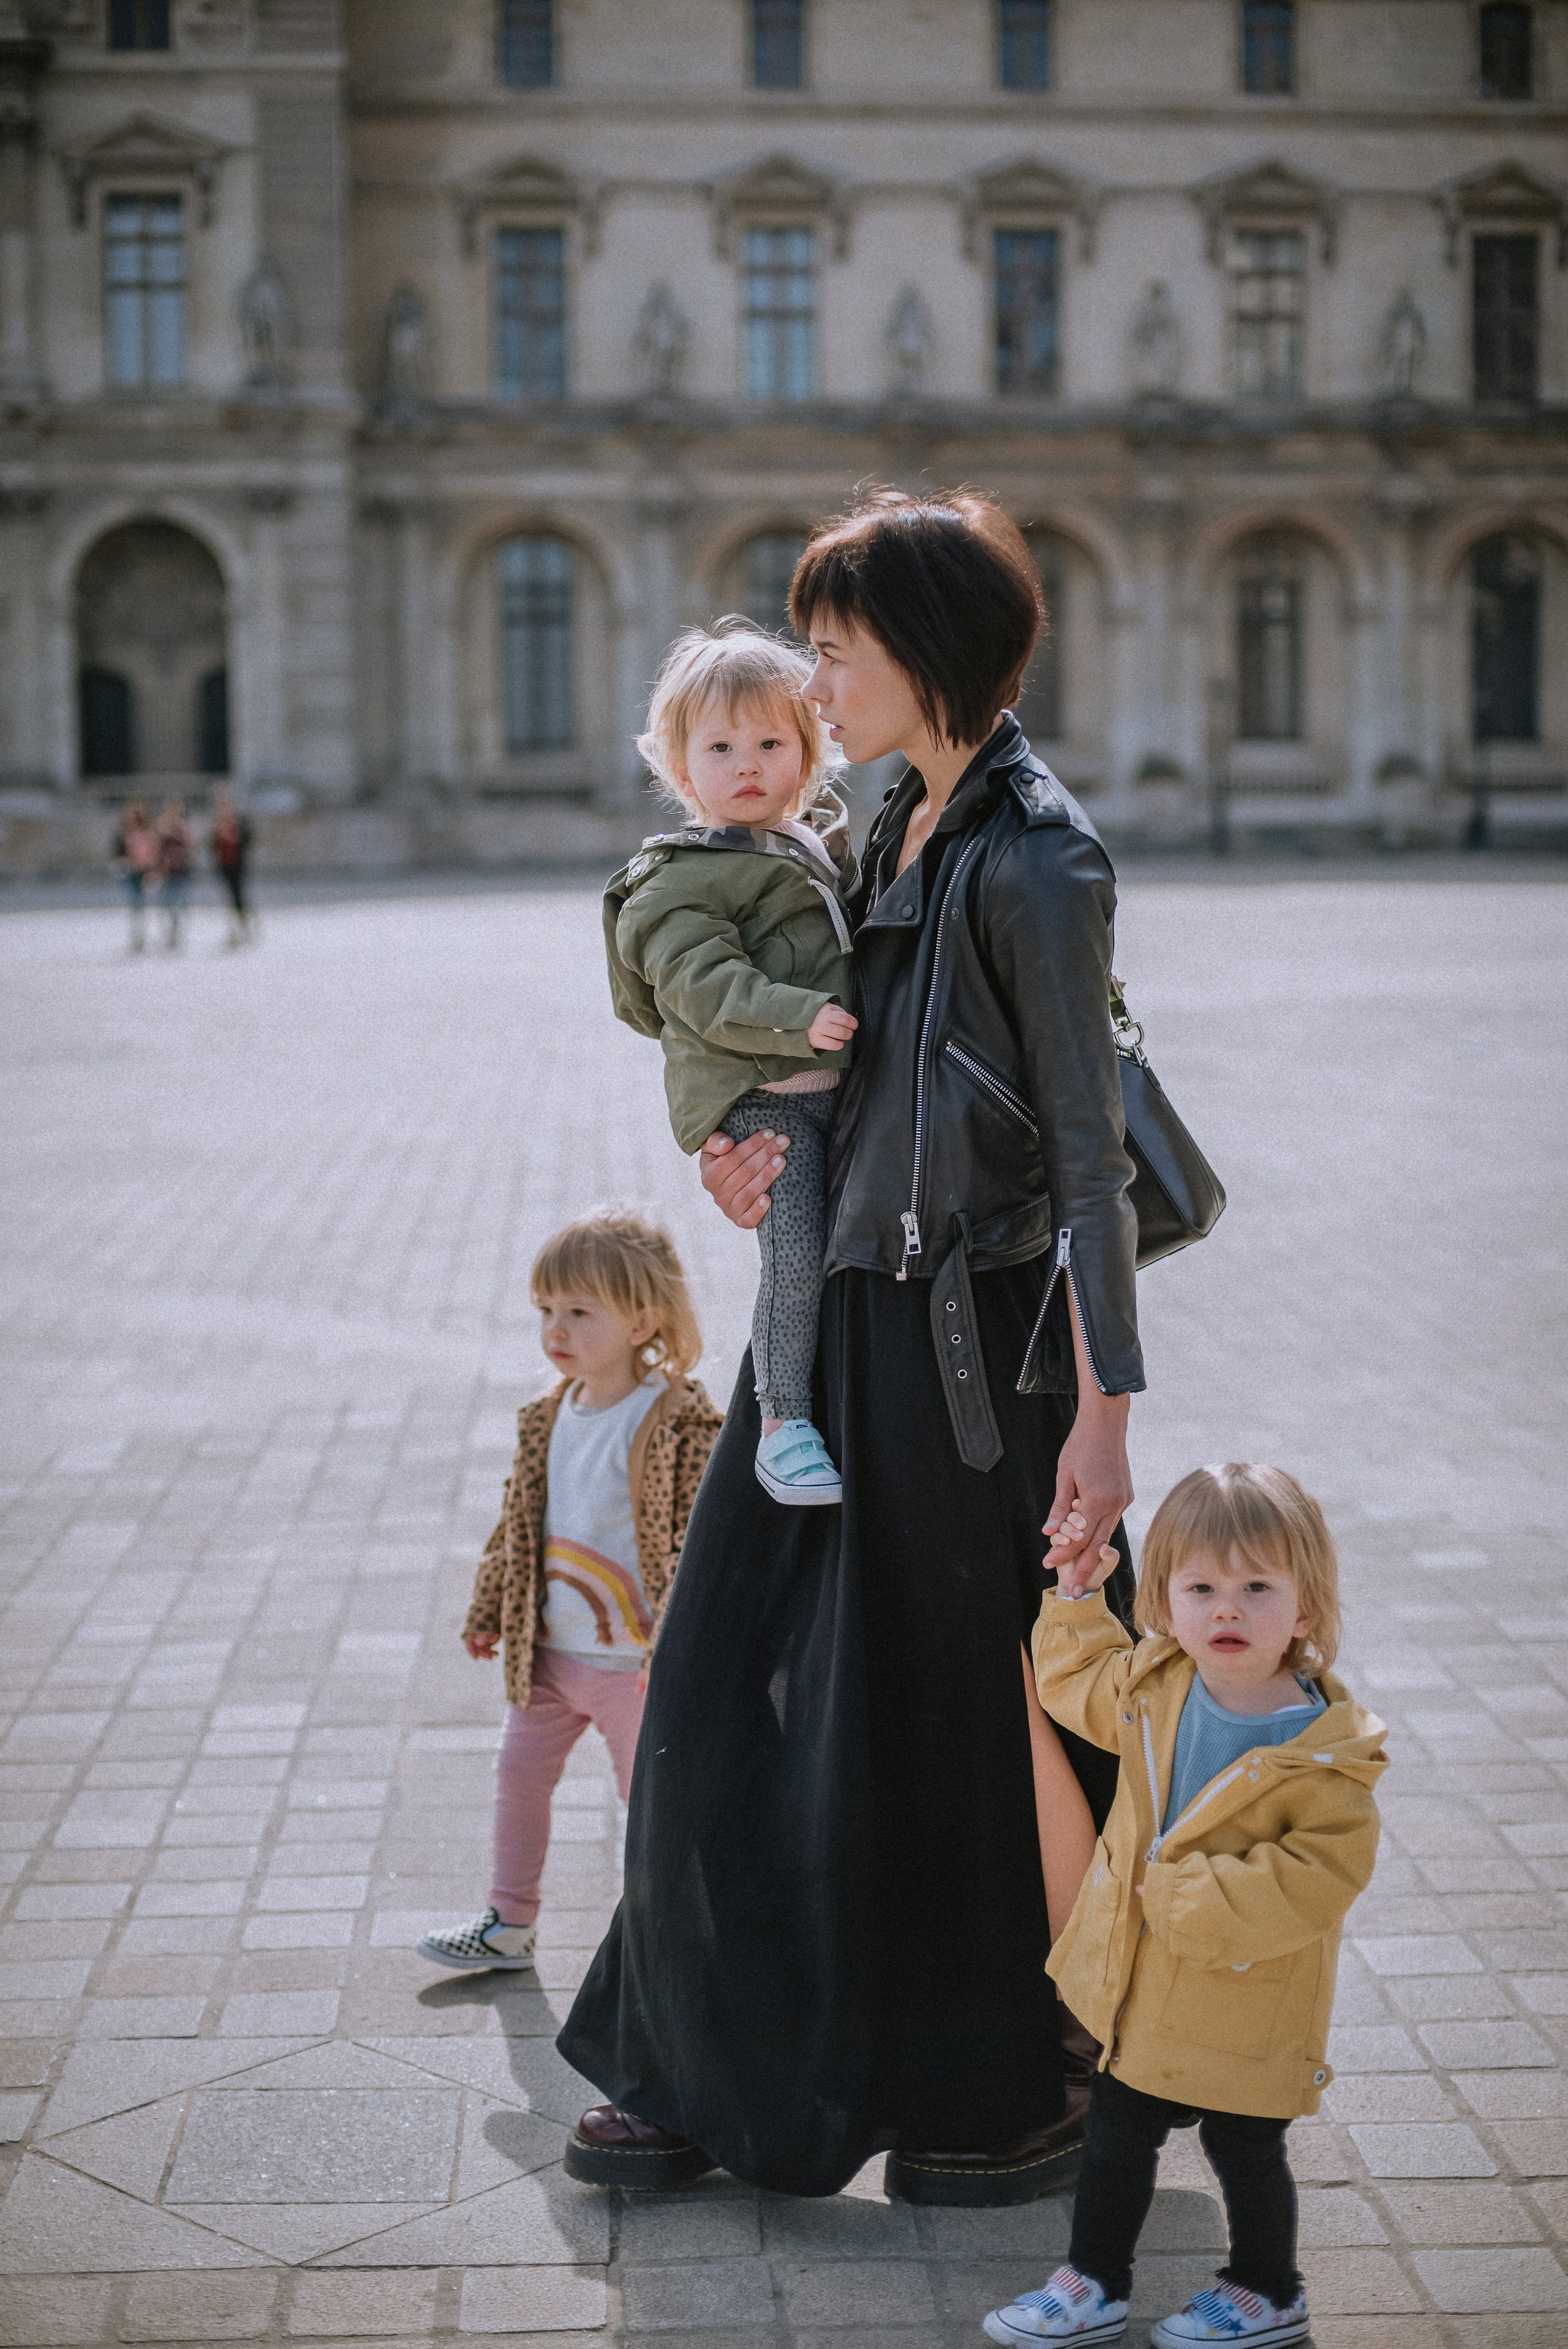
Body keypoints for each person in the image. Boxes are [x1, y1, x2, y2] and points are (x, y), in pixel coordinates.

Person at [559, 488, 1145, 2204]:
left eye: (835, 642)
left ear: (930, 650)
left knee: (970, 1726)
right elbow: (848, 1071)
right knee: (740, 1693)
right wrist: (749, 1149)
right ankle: (696, 2054)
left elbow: (1090, 1155)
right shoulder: (886, 826)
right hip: (841, 1335)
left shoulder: (1036, 856)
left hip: (987, 1359)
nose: (811, 676)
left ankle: (1023, 2073)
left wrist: (1106, 1418)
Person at [982, 1465, 1385, 2349]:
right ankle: (1094, 2281)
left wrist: (1179, 1892)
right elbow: (1075, 1682)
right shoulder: (1158, 1684)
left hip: (1244, 2001)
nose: (1227, 1609)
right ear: (1164, 1601)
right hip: (1143, 1993)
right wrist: (1078, 1596)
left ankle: (1268, 2288)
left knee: (1246, 2147)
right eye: (1201, 1587)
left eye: (1256, 1587)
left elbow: (1318, 1873)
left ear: (1306, 1609)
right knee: (1116, 2139)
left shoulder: (1319, 1753)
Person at [417, 1212, 721, 1975]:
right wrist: (490, 1607)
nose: (557, 1328)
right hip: (550, 1655)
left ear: (642, 1319)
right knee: (518, 1778)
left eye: (581, 1312)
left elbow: (701, 1543)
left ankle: (674, 1938)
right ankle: (509, 1922)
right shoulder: (548, 1414)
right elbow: (518, 1521)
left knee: (648, 1808)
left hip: (634, 1666)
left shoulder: (676, 1419)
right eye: (547, 1310)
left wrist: (682, 1644)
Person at [605, 622, 858, 1504]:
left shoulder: (808, 845)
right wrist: (805, 1016)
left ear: (808, 752)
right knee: (795, 1256)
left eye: (769, 743)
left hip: (829, 1091)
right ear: (681, 771)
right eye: (719, 747)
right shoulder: (682, 878)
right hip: (767, 1104)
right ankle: (783, 1420)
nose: (746, 764)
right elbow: (708, 987)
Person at [111, 800, 160, 954]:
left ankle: (142, 936)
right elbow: (118, 853)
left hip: (145, 871)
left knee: (142, 904)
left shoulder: (149, 832)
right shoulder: (124, 833)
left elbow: (155, 852)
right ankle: (137, 937)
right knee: (135, 904)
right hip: (131, 872)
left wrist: (153, 871)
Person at [211, 791, 254, 947]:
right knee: (231, 898)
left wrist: (236, 837)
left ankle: (244, 928)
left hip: (238, 867)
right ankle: (237, 929)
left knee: (239, 898)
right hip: (225, 867)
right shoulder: (218, 826)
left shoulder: (239, 824)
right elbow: (214, 847)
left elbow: (247, 841)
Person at [156, 796, 193, 951]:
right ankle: (169, 933)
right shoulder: (161, 826)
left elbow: (189, 847)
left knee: (179, 903)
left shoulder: (184, 827)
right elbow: (157, 848)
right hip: (165, 871)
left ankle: (176, 933)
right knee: (165, 903)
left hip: (180, 871)